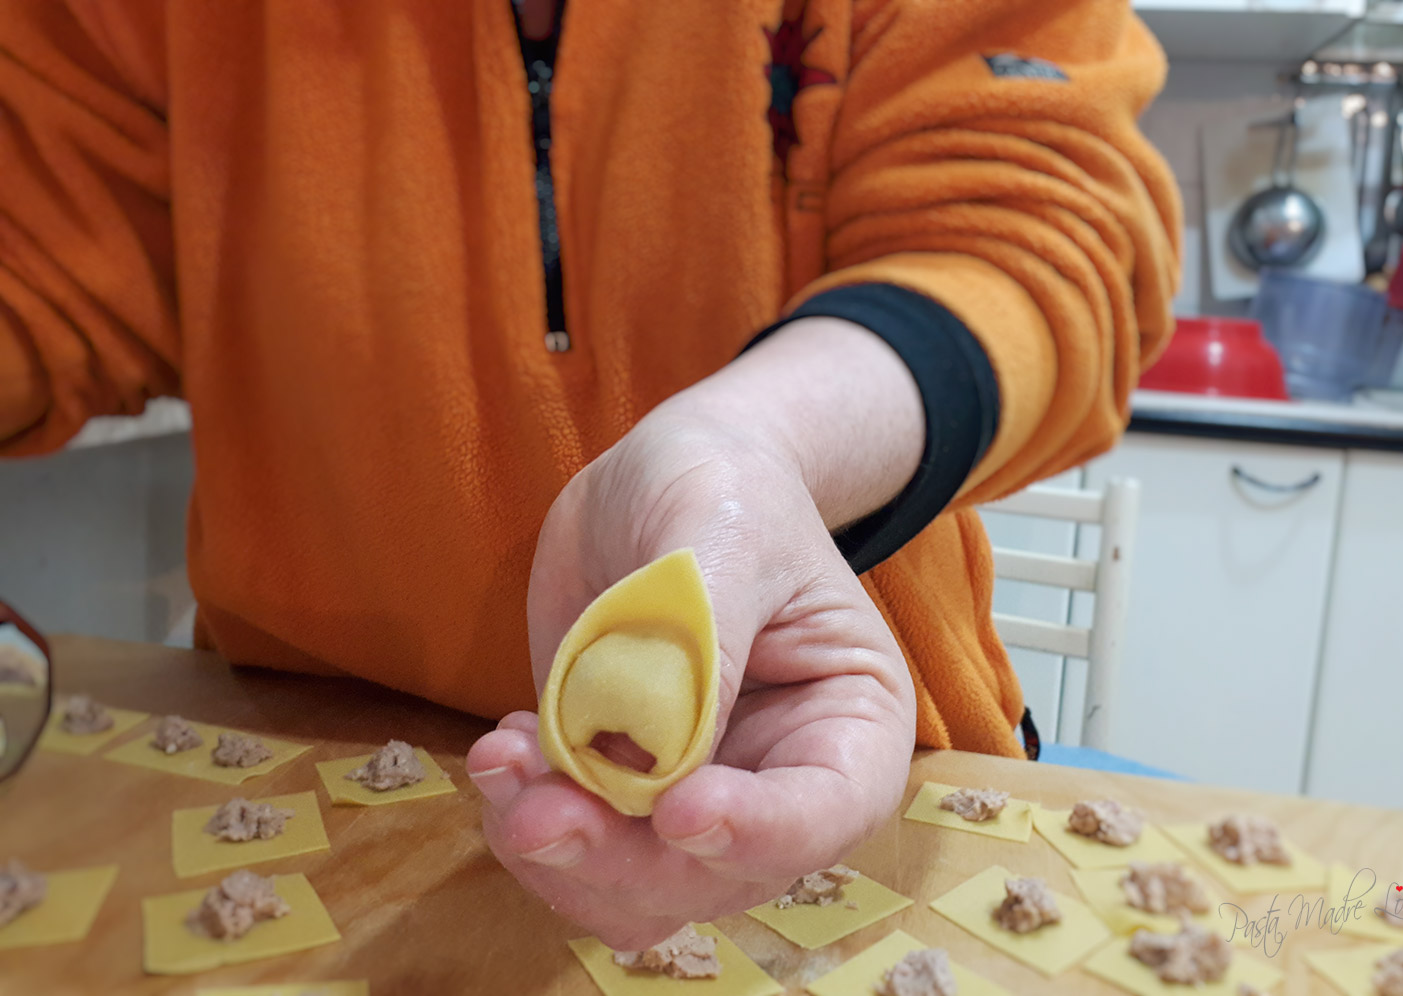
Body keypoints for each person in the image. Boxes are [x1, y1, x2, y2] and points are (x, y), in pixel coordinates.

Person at [0, 0, 1178, 949]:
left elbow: (1033, 232)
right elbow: (39, 250)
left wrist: (758, 447)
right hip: (298, 778)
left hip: (815, 774)